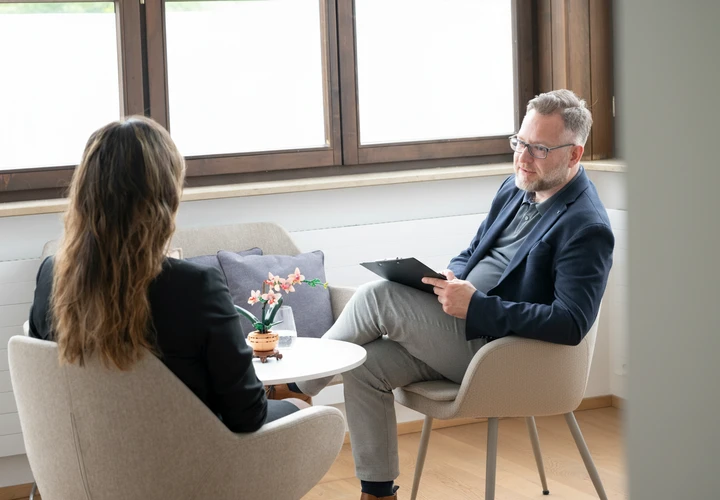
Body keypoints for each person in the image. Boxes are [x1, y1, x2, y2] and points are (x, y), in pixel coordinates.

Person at [276, 89, 615, 500]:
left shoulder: (586, 227)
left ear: (574, 154)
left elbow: (571, 323)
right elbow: (473, 251)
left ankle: (295, 386)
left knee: (377, 297)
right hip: (460, 329)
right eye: (520, 143)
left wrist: (477, 306)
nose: (523, 158)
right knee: (366, 365)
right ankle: (378, 492)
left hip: (502, 353)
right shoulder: (516, 187)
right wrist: (451, 276)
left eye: (539, 149)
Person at [28, 116, 308, 433]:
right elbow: (247, 415)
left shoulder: (50, 277)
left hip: (89, 455)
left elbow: (46, 387)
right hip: (186, 456)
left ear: (84, 194)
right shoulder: (195, 287)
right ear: (165, 197)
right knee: (301, 408)